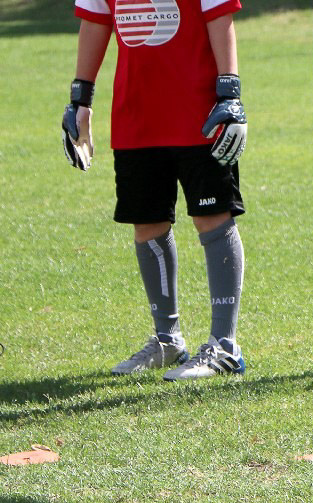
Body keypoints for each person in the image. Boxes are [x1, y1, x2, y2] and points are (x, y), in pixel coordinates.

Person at [62, 0, 248, 380]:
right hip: (136, 117)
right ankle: (168, 339)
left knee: (213, 218)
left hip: (200, 114)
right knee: (147, 223)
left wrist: (230, 94)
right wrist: (80, 99)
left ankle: (224, 345)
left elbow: (219, 16)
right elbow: (96, 21)